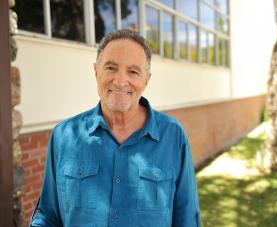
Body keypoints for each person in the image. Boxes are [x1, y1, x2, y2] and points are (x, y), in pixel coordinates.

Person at [30, 29, 200, 227]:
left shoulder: (173, 136)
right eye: (111, 68)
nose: (120, 81)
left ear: (146, 79)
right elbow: (48, 216)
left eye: (133, 71)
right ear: (96, 71)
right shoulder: (63, 136)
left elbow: (187, 219)